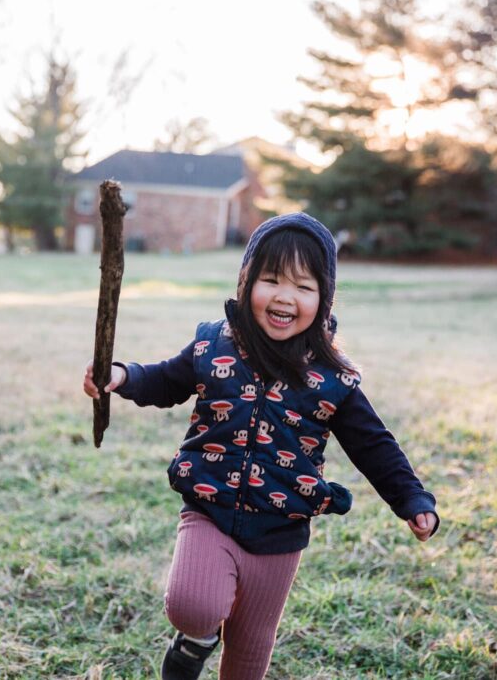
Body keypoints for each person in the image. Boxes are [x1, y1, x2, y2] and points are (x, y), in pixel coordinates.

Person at [83, 213, 439, 679]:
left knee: (250, 650)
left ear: (323, 298)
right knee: (193, 605)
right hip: (209, 507)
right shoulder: (214, 346)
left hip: (280, 528)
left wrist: (411, 498)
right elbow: (166, 379)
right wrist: (123, 376)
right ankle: (196, 639)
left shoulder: (335, 379)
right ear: (246, 282)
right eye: (270, 280)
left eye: (303, 286)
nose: (284, 296)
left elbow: (374, 444)